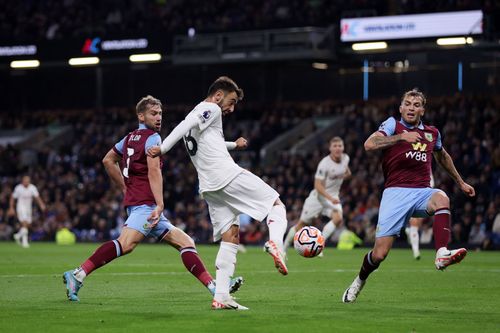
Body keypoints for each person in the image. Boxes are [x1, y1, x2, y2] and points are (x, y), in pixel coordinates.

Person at [62, 95, 242, 302]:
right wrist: (159, 204)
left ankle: (215, 286)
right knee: (126, 244)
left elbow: (108, 160)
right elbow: (154, 171)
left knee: (186, 243)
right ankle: (78, 274)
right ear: (141, 115)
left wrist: (124, 188)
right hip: (147, 205)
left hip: (141, 203)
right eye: (153, 114)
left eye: (160, 114)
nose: (158, 118)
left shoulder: (129, 138)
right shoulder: (153, 138)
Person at [147, 76, 289, 310]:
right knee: (276, 205)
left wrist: (235, 144)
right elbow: (185, 122)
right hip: (225, 175)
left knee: (231, 235)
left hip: (209, 187)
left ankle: (221, 296)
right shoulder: (209, 107)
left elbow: (210, 142)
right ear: (219, 95)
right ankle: (276, 244)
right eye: (231, 102)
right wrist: (162, 148)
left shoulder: (203, 115)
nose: (231, 109)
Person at [342, 89, 476, 303]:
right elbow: (369, 145)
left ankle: (441, 253)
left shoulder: (432, 133)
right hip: (395, 194)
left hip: (421, 191)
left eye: (416, 104)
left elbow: (442, 156)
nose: (412, 107)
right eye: (408, 103)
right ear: (401, 108)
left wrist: (460, 182)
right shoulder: (393, 125)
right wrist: (400, 138)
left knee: (442, 198)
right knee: (379, 255)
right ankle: (359, 280)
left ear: (422, 109)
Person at [283, 137, 350, 256]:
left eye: (340, 146)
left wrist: (342, 176)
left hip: (333, 196)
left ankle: (319, 245)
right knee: (301, 224)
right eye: (335, 146)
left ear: (343, 147)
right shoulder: (324, 164)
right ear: (330, 148)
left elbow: (347, 172)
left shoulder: (346, 159)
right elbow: (318, 186)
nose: (338, 148)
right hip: (318, 198)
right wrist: (331, 198)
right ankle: (284, 248)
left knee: (338, 218)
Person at [8, 175, 46, 248]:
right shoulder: (18, 188)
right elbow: (12, 197)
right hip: (20, 207)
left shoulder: (32, 188)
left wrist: (41, 204)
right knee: (24, 222)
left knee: (28, 224)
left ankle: (18, 235)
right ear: (22, 181)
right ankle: (24, 242)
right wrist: (11, 207)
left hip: (28, 207)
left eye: (28, 181)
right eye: (25, 181)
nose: (26, 183)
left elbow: (37, 197)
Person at [405, 174, 435, 260]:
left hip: (424, 196)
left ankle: (409, 231)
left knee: (416, 224)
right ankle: (416, 251)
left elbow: (431, 183)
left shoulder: (427, 169)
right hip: (412, 195)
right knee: (414, 223)